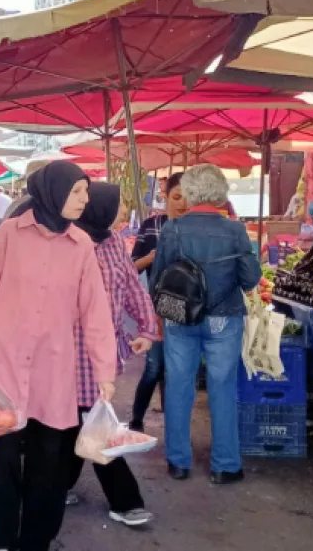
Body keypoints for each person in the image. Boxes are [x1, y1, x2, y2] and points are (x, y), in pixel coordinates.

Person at [0, 161, 116, 551]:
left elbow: (95, 311)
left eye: (86, 191)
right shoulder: (9, 234)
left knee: (49, 459)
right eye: (77, 191)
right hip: (4, 362)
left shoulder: (82, 245)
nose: (85, 199)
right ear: (53, 192)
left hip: (53, 366)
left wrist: (105, 371)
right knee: (2, 454)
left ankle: (37, 539)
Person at [151, 164, 261, 484]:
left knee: (179, 386)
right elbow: (251, 279)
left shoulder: (173, 229)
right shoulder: (235, 231)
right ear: (221, 192)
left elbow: (158, 279)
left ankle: (178, 462)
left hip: (179, 317)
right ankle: (225, 465)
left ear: (190, 192)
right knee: (222, 389)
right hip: (224, 319)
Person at [62, 182, 159, 527]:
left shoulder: (115, 241)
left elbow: (132, 285)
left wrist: (148, 329)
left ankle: (59, 485)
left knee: (80, 418)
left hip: (103, 351)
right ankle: (125, 499)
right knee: (91, 419)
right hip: (67, 350)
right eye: (113, 206)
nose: (116, 213)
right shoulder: (66, 241)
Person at [128, 172, 186, 431]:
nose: (182, 203)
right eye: (176, 197)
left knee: (179, 371)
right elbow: (131, 267)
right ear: (166, 196)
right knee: (154, 367)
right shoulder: (152, 225)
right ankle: (136, 421)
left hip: (190, 309)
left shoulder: (198, 227)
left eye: (189, 197)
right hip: (158, 305)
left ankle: (175, 425)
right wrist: (152, 257)